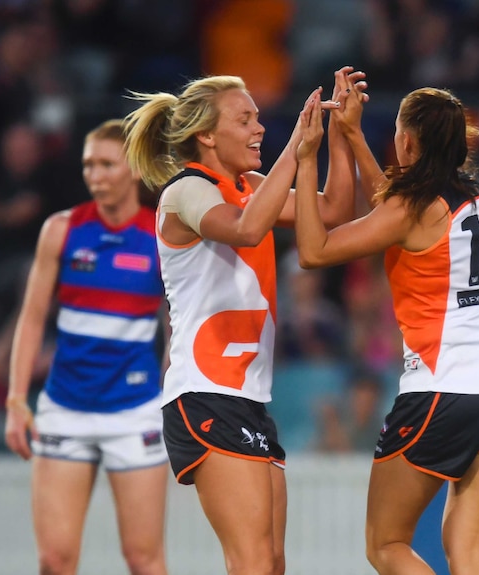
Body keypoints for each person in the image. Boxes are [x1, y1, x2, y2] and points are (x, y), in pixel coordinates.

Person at [123, 69, 360, 575]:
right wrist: (299, 144)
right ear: (205, 135)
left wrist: (339, 133)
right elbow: (247, 230)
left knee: (270, 563)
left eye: (257, 118)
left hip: (248, 399)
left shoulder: (251, 185)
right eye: (245, 119)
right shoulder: (184, 192)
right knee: (252, 561)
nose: (259, 129)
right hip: (205, 392)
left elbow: (336, 208)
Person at [293, 85, 479, 575]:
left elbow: (314, 252)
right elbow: (394, 203)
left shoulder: (409, 209)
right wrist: (354, 135)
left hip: (444, 389)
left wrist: (305, 158)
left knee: (386, 545)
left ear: (406, 143)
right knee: (466, 549)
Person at [3, 119, 169, 575]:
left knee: (143, 559)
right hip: (65, 408)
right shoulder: (61, 230)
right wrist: (17, 400)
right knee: (54, 561)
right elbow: (32, 318)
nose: (95, 175)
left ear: (134, 167)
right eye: (88, 165)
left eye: (106, 164)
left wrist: (174, 402)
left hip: (135, 409)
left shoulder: (161, 233)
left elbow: (177, 327)